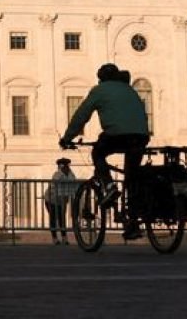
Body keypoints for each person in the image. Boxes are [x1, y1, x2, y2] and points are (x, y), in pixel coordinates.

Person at [60, 63, 150, 240]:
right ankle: (132, 222)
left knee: (98, 153)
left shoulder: (99, 90)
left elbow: (81, 116)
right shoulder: (129, 89)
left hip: (117, 135)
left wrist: (67, 138)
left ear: (101, 78)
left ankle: (109, 186)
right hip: (141, 136)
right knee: (131, 177)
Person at [43, 157, 79, 245]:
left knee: (62, 218)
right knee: (54, 218)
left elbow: (74, 185)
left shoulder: (71, 174)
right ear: (61, 166)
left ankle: (64, 238)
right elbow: (55, 188)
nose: (67, 167)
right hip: (52, 200)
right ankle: (54, 238)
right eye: (65, 165)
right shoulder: (57, 175)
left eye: (68, 165)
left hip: (63, 200)